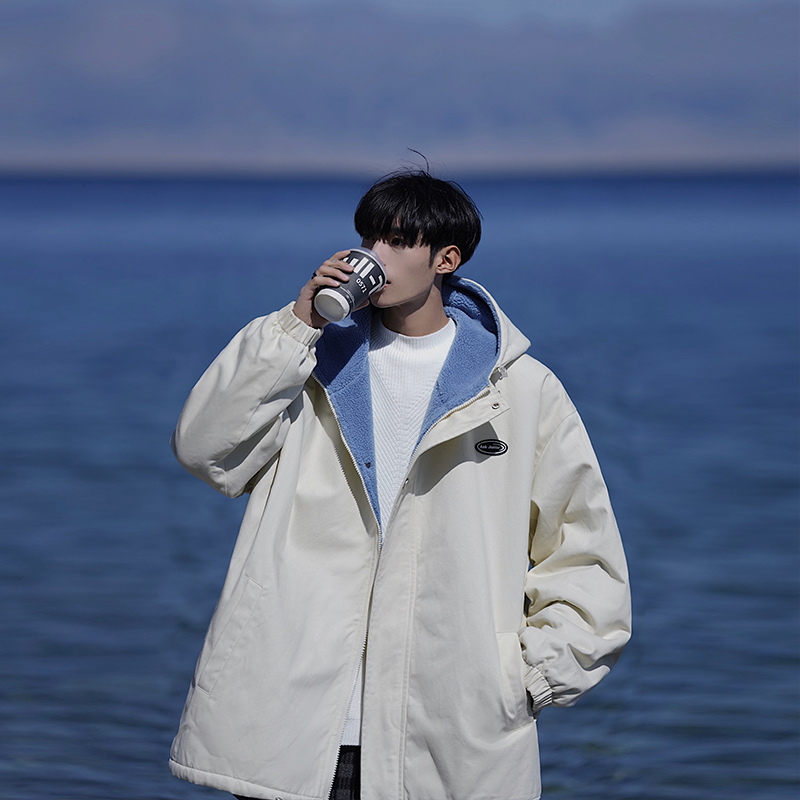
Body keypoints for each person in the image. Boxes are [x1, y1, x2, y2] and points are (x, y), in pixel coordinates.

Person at [167, 170, 631, 800]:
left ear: (446, 259)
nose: (374, 256)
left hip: (447, 728)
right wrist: (298, 323)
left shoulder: (520, 390)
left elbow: (583, 549)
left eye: (397, 241)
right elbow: (203, 447)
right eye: (369, 239)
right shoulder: (306, 364)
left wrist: (528, 679)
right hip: (293, 723)